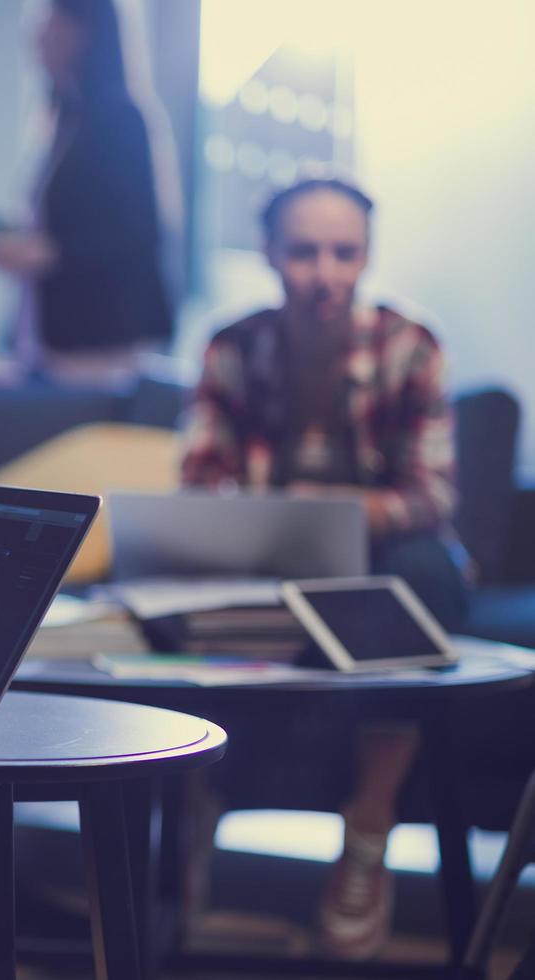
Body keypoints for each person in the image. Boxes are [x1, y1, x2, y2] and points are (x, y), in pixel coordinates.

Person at [181, 175, 469, 959]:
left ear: (366, 256)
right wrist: (284, 518)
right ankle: (191, 812)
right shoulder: (230, 348)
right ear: (270, 254)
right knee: (182, 578)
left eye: (344, 253)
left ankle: (366, 836)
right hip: (261, 557)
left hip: (382, 565)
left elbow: (430, 494)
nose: (324, 273)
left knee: (428, 573)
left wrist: (322, 505)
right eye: (304, 252)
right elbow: (202, 482)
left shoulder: (412, 347)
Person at [0, 0, 175, 383]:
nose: (36, 33)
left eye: (48, 20)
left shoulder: (119, 118)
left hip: (98, 343)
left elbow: (137, 232)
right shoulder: (63, 117)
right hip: (50, 337)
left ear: (82, 31)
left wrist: (47, 252)